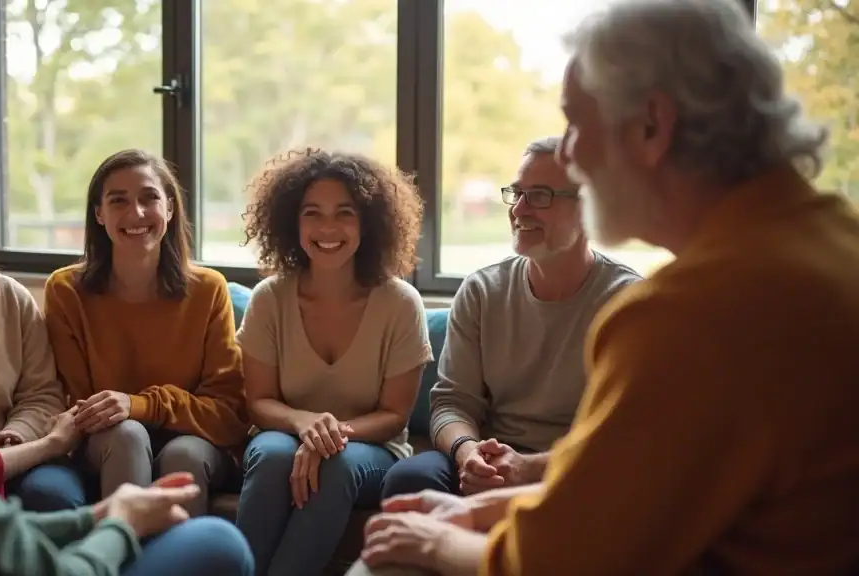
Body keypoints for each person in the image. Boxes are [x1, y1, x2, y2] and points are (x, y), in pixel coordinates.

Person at [347, 1, 859, 575]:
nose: (569, 153)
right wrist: (492, 505)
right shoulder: (833, 241)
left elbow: (552, 563)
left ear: (651, 127)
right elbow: (655, 485)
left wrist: (435, 541)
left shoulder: (687, 317)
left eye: (574, 123)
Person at [0, 67, 253, 575]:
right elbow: (18, 560)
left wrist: (103, 514)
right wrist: (118, 525)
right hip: (81, 462)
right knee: (217, 543)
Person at [380, 136, 639, 500]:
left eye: (540, 196)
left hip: (576, 467)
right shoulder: (483, 290)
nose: (518, 210)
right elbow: (452, 403)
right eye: (516, 193)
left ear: (587, 208)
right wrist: (468, 453)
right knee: (409, 480)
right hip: (492, 458)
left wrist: (531, 469)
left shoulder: (627, 301)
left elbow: (626, 436)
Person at [234, 149, 433, 575]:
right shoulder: (270, 298)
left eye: (345, 213)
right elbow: (259, 401)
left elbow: (395, 415)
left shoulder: (400, 303)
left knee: (336, 464)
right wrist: (305, 424)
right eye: (312, 213)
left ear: (369, 223)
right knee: (270, 455)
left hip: (371, 451)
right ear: (293, 222)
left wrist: (329, 436)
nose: (327, 228)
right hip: (283, 437)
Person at [43, 149, 250, 517]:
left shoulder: (208, 289)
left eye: (149, 198)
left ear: (169, 208)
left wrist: (140, 404)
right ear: (99, 214)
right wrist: (127, 414)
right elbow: (79, 405)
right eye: (118, 201)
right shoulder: (66, 290)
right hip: (108, 442)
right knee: (127, 435)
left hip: (194, 442)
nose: (136, 213)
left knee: (183, 452)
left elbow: (229, 415)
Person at [0, 168, 76, 510]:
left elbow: (42, 394)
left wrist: (17, 435)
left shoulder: (12, 298)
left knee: (53, 494)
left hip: (13, 451)